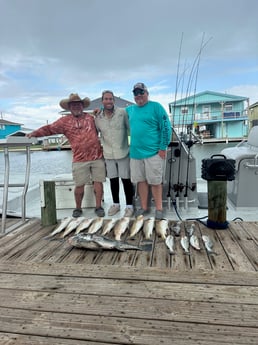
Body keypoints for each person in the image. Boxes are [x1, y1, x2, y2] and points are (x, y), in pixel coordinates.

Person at [27, 93, 106, 218]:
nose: (76, 107)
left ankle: (98, 207)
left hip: (97, 157)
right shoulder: (64, 121)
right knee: (79, 185)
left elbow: (105, 118)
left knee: (98, 182)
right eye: (73, 105)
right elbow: (49, 129)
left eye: (78, 104)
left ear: (82, 106)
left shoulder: (91, 118)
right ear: (69, 107)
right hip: (79, 159)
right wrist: (34, 133)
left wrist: (100, 110)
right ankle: (78, 208)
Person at [126, 82, 172, 220]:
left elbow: (166, 127)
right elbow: (114, 114)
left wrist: (163, 147)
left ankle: (159, 208)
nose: (139, 95)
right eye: (136, 93)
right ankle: (144, 207)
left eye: (141, 92)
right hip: (135, 153)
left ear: (147, 93)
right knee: (140, 181)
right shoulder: (130, 110)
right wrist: (99, 112)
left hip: (154, 152)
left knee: (155, 182)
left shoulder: (156, 107)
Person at [94, 90, 134, 217]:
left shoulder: (122, 113)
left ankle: (129, 206)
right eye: (106, 99)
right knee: (113, 181)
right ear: (102, 101)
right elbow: (95, 133)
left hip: (123, 152)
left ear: (114, 101)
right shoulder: (98, 117)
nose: (108, 101)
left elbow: (131, 129)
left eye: (111, 99)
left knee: (126, 180)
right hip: (108, 154)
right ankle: (116, 204)